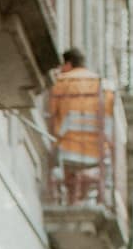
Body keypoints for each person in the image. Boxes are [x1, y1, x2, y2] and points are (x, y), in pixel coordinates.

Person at [48, 48, 114, 204]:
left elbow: (51, 112)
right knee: (85, 170)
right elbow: (108, 118)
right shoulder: (103, 86)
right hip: (96, 151)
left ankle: (72, 199)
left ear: (68, 64)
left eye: (62, 66)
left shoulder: (62, 82)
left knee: (67, 163)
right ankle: (80, 197)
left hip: (68, 149)